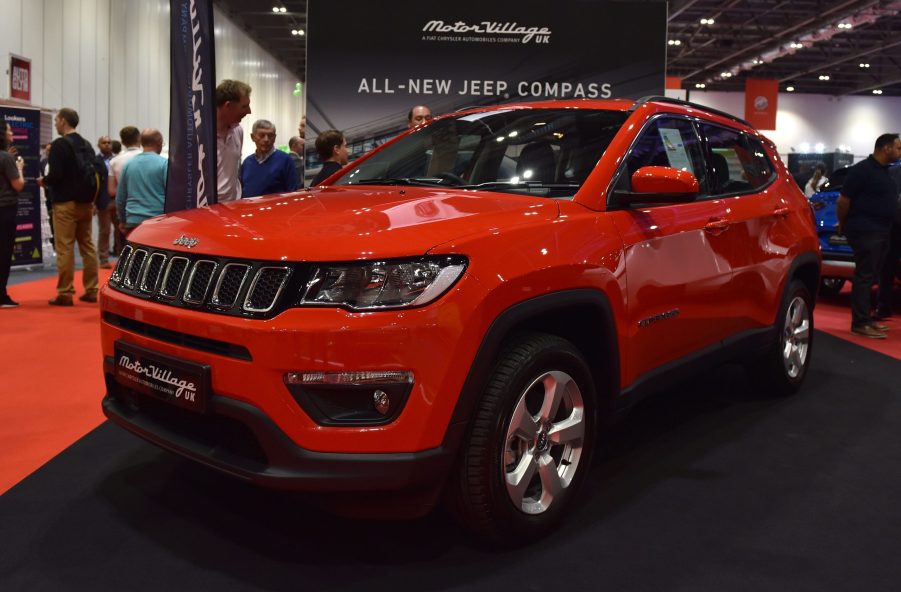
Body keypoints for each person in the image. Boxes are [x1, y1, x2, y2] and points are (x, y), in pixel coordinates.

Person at [836, 133, 901, 338]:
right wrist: (843, 223)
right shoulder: (862, 171)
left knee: (871, 275)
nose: (900, 152)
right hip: (866, 230)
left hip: (882, 230)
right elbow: (844, 200)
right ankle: (860, 322)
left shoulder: (883, 171)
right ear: (886, 148)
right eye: (898, 148)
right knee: (864, 277)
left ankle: (867, 319)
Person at [36, 107, 99, 306]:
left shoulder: (59, 145)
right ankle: (91, 289)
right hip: (86, 203)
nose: (55, 124)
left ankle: (65, 292)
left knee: (64, 248)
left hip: (65, 204)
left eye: (56, 120)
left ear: (63, 121)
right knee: (87, 247)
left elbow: (55, 175)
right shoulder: (87, 145)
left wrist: (43, 181)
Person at [115, 129, 169, 237]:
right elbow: (171, 195)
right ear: (159, 142)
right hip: (157, 221)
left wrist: (122, 220)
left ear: (141, 142)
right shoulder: (164, 164)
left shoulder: (128, 165)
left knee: (136, 254)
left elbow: (120, 198)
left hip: (133, 221)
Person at [0, 121, 25, 308]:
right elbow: (18, 185)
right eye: (9, 130)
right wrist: (20, 169)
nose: (12, 134)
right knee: (4, 252)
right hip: (5, 210)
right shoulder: (6, 159)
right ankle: (1, 295)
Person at [239, 120, 298, 197]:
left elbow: (293, 193)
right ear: (252, 137)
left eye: (270, 135)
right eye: (262, 135)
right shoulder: (247, 162)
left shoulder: (286, 160)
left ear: (275, 137)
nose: (266, 139)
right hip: (249, 207)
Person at [216, 79, 252, 202]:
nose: (249, 111)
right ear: (228, 106)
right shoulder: (201, 137)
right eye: (244, 106)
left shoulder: (238, 131)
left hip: (234, 205)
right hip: (208, 210)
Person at [109, 126, 142, 255]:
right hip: (151, 211)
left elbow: (111, 191)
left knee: (126, 250)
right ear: (139, 138)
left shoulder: (114, 162)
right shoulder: (151, 158)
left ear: (122, 142)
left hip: (128, 210)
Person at [876, 164, 901, 319]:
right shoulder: (891, 170)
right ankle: (883, 306)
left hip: (891, 225)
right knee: (887, 267)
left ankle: (883, 306)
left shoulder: (891, 170)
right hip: (892, 225)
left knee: (887, 268)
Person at [94, 136, 113, 268]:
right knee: (105, 230)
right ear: (99, 145)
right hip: (103, 201)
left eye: (109, 142)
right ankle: (104, 258)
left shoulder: (117, 159)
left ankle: (122, 257)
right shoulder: (95, 161)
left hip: (118, 200)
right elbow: (94, 183)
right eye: (104, 143)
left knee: (121, 230)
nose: (107, 145)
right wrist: (93, 202)